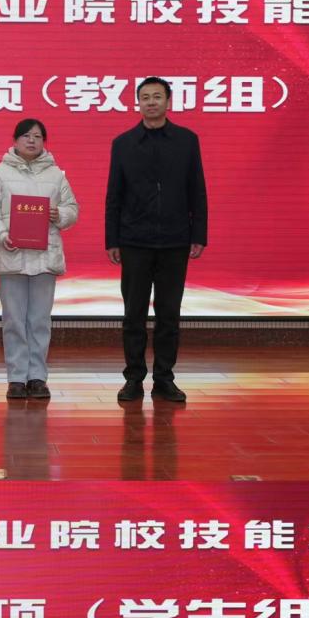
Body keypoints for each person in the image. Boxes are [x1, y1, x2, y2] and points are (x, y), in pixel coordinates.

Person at [105, 76, 207, 406]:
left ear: (168, 101)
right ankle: (133, 378)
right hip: (134, 241)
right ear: (138, 103)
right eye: (145, 97)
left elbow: (197, 189)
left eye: (157, 96)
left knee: (169, 315)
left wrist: (198, 234)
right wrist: (112, 239)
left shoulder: (187, 140)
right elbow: (114, 195)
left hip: (175, 241)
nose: (151, 102)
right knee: (133, 315)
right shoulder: (123, 143)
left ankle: (164, 378)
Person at [0, 115, 79, 401]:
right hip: (11, 255)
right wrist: (1, 234)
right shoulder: (0, 173)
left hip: (45, 257)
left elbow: (72, 208)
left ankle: (37, 377)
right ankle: (16, 378)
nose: (32, 141)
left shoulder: (56, 174)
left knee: (39, 320)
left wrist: (60, 215)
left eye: (37, 136)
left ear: (44, 141)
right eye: (26, 136)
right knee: (13, 320)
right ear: (15, 141)